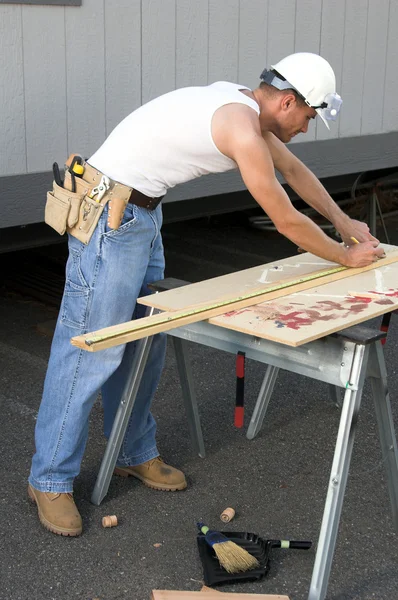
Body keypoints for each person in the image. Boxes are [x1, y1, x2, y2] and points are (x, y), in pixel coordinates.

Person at [28, 52, 384, 537]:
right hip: (109, 221)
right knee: (89, 351)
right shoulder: (240, 127)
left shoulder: (248, 109)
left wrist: (345, 224)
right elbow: (283, 217)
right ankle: (49, 479)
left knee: (143, 338)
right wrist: (343, 258)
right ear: (286, 100)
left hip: (139, 217)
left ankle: (132, 452)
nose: (308, 125)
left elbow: (296, 174)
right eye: (309, 115)